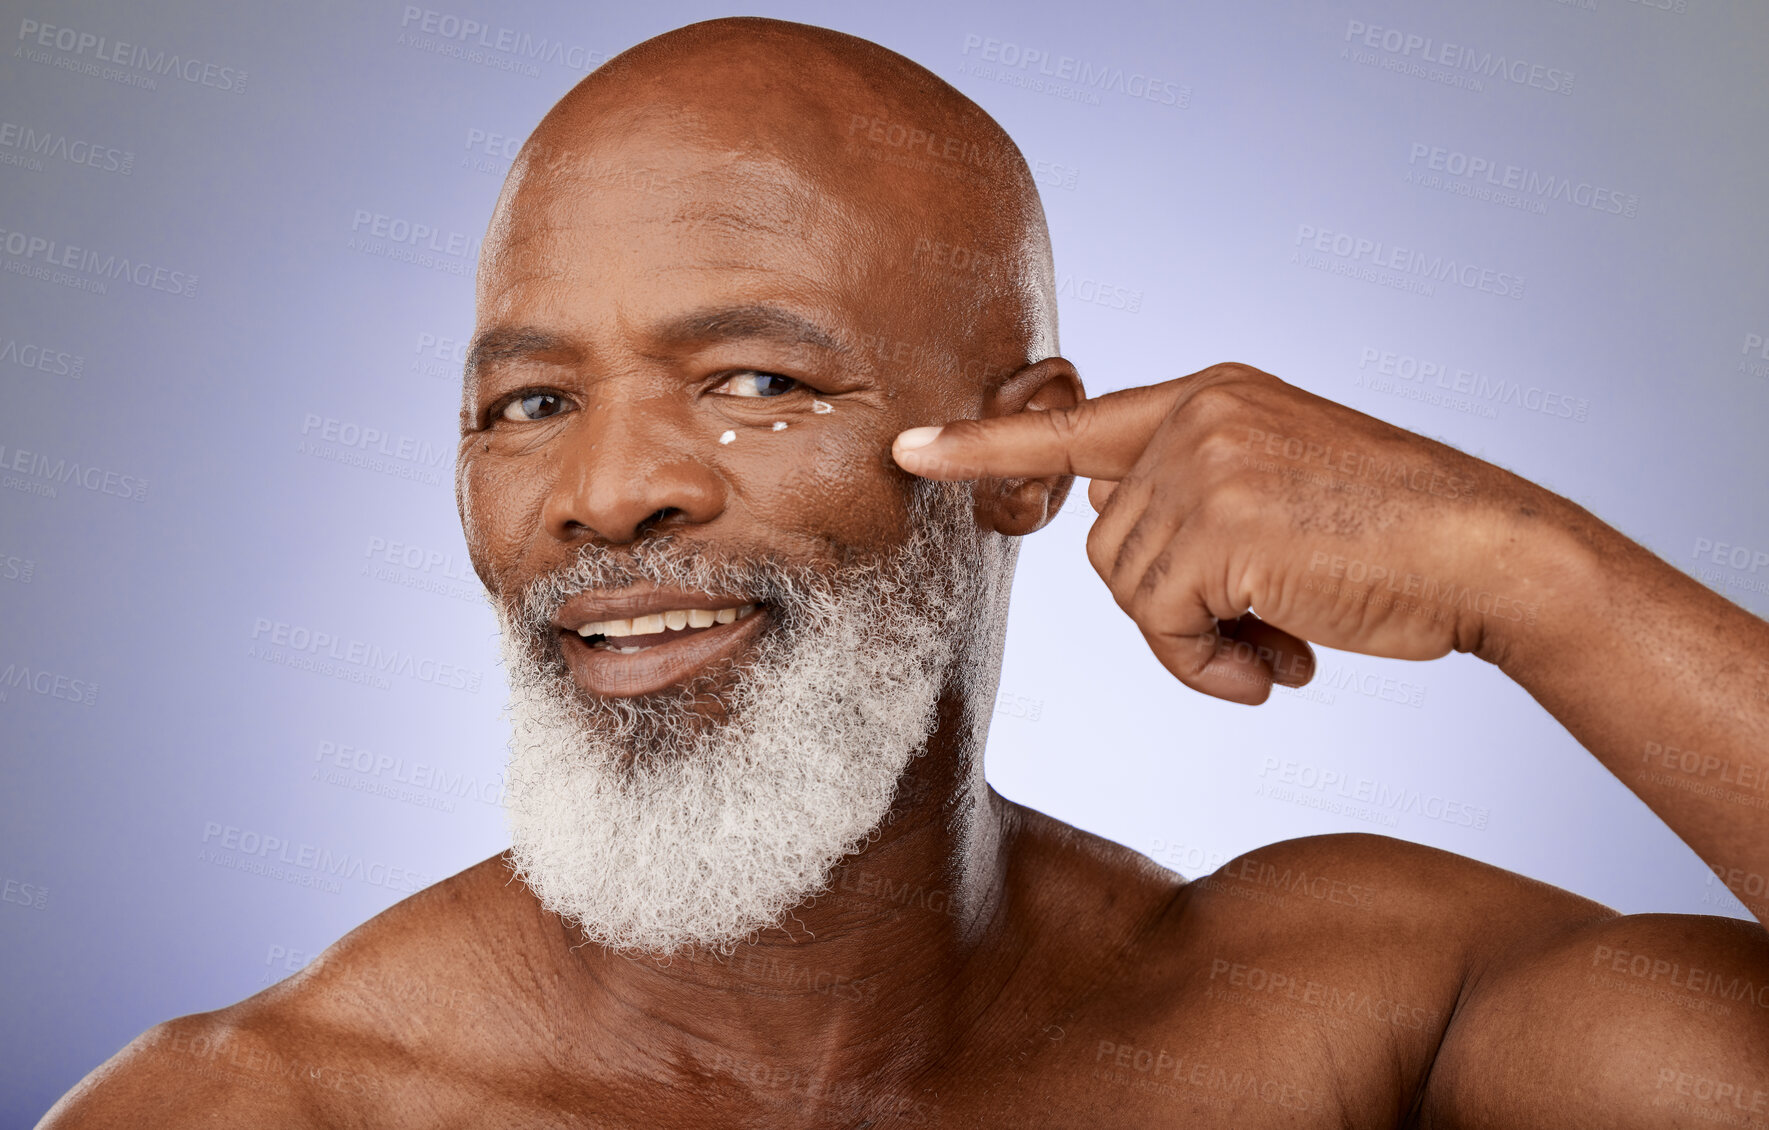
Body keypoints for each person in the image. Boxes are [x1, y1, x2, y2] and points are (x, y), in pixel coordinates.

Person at [42, 16, 1769, 1128]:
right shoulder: (262, 1110)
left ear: (1023, 459)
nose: (604, 491)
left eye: (753, 382)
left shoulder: (1351, 1024)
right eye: (529, 402)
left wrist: (1533, 574)